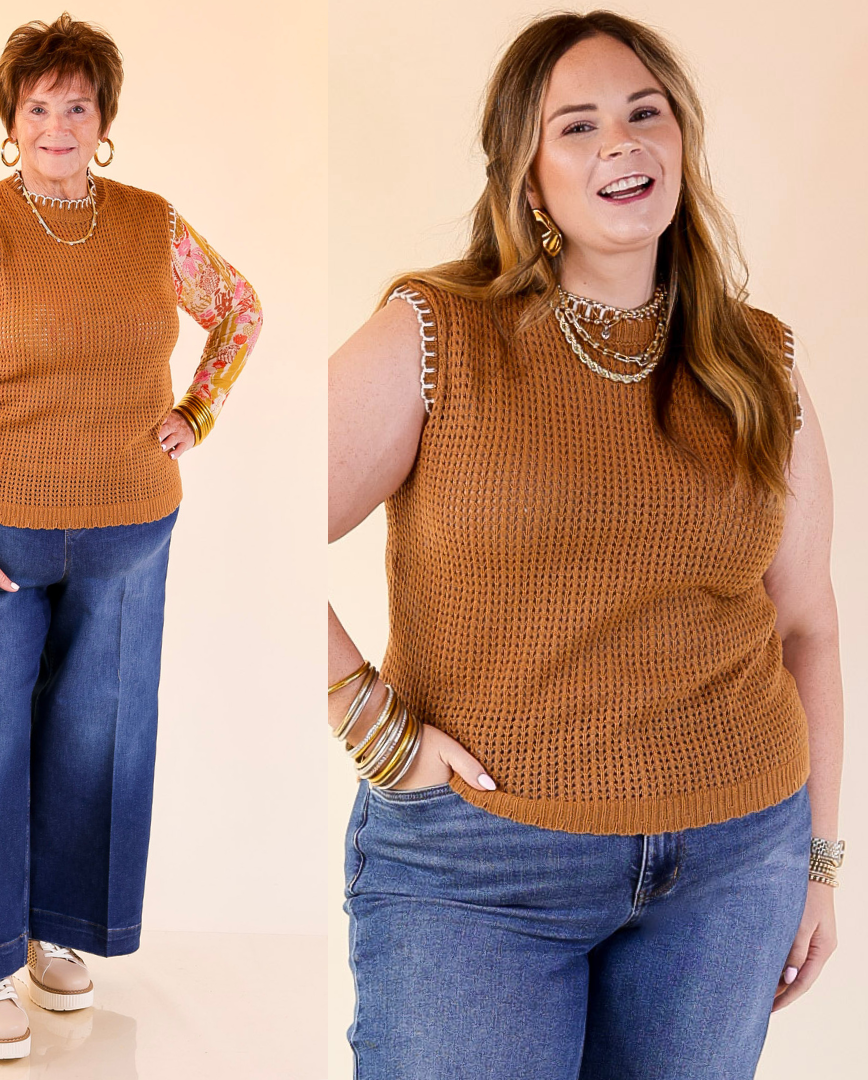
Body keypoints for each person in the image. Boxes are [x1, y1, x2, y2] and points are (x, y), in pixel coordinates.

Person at [327, 11, 843, 1079]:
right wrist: (372, 724)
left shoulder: (758, 362)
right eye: (579, 125)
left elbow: (807, 624)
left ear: (682, 144)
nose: (623, 142)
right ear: (527, 177)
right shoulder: (437, 336)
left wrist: (822, 865)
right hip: (479, 869)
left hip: (735, 861)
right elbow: (257, 525)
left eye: (646, 113)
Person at [0, 12, 262, 1061]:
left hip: (129, 535)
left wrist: (195, 413)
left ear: (103, 120)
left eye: (77, 104)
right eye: (38, 107)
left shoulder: (152, 223)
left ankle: (62, 936)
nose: (58, 123)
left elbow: (238, 306)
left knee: (100, 743)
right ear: (12, 124)